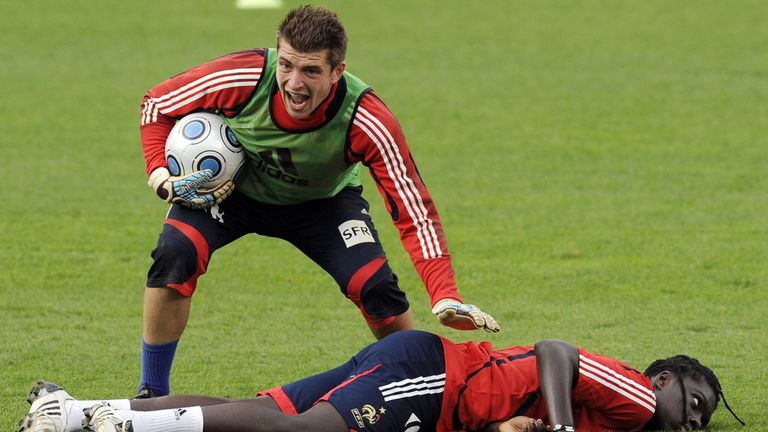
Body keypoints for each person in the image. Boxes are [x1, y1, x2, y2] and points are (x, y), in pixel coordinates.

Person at [135, 5, 499, 398]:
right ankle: (151, 394)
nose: (294, 82)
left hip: (321, 205)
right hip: (232, 192)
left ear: (337, 71)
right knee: (176, 252)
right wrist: (161, 177)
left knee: (375, 287)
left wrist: (444, 293)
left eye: (310, 71)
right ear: (277, 52)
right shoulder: (242, 75)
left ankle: (418, 393)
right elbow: (156, 105)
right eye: (287, 65)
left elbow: (413, 209)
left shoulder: (367, 119)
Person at [17, 330, 744, 432]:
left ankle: (73, 409)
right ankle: (124, 426)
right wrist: (554, 427)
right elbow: (560, 353)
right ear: (668, 377)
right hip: (432, 377)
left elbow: (521, 392)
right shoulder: (641, 396)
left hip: (424, 368)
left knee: (255, 408)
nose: (692, 419)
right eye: (697, 401)